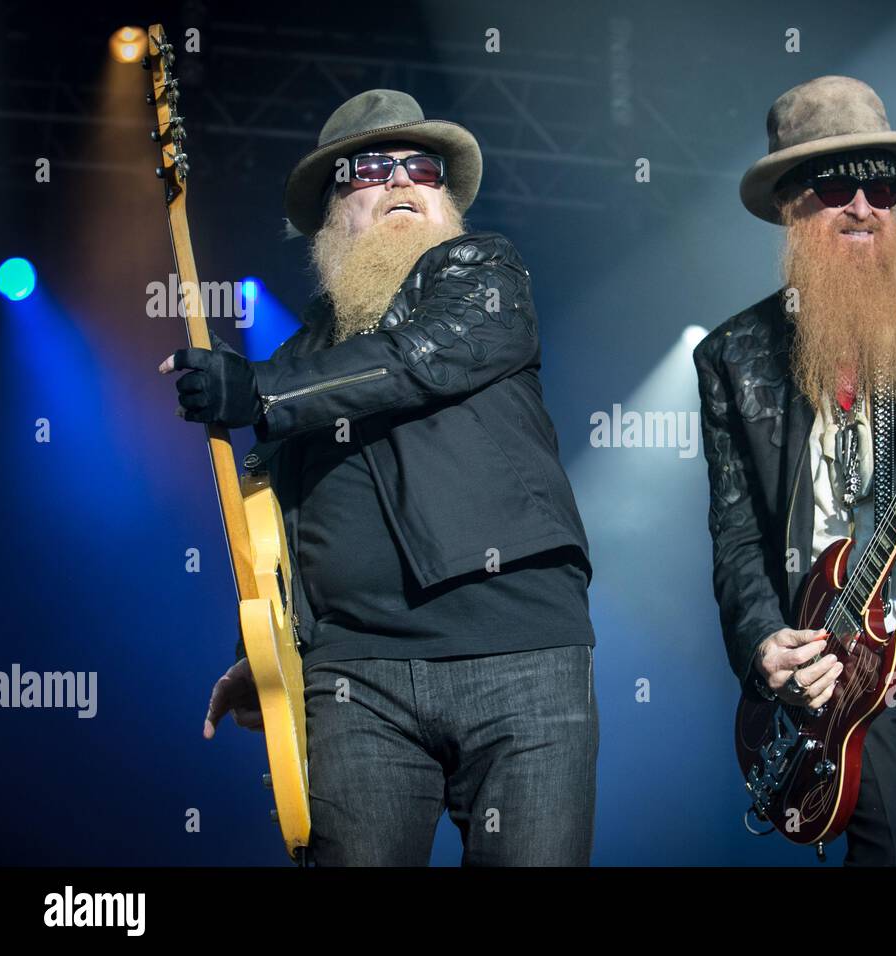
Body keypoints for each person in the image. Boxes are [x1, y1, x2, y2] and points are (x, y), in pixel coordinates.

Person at [160, 89, 598, 866]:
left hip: (519, 658)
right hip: (354, 682)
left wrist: (259, 392)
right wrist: (262, 651)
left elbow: (418, 358)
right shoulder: (296, 363)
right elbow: (273, 526)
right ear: (333, 209)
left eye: (422, 167)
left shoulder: (484, 270)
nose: (403, 180)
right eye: (371, 168)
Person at [695, 75, 896, 865]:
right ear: (789, 204)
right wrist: (761, 643)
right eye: (837, 184)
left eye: (882, 184)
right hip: (839, 653)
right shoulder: (733, 355)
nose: (864, 206)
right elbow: (737, 534)